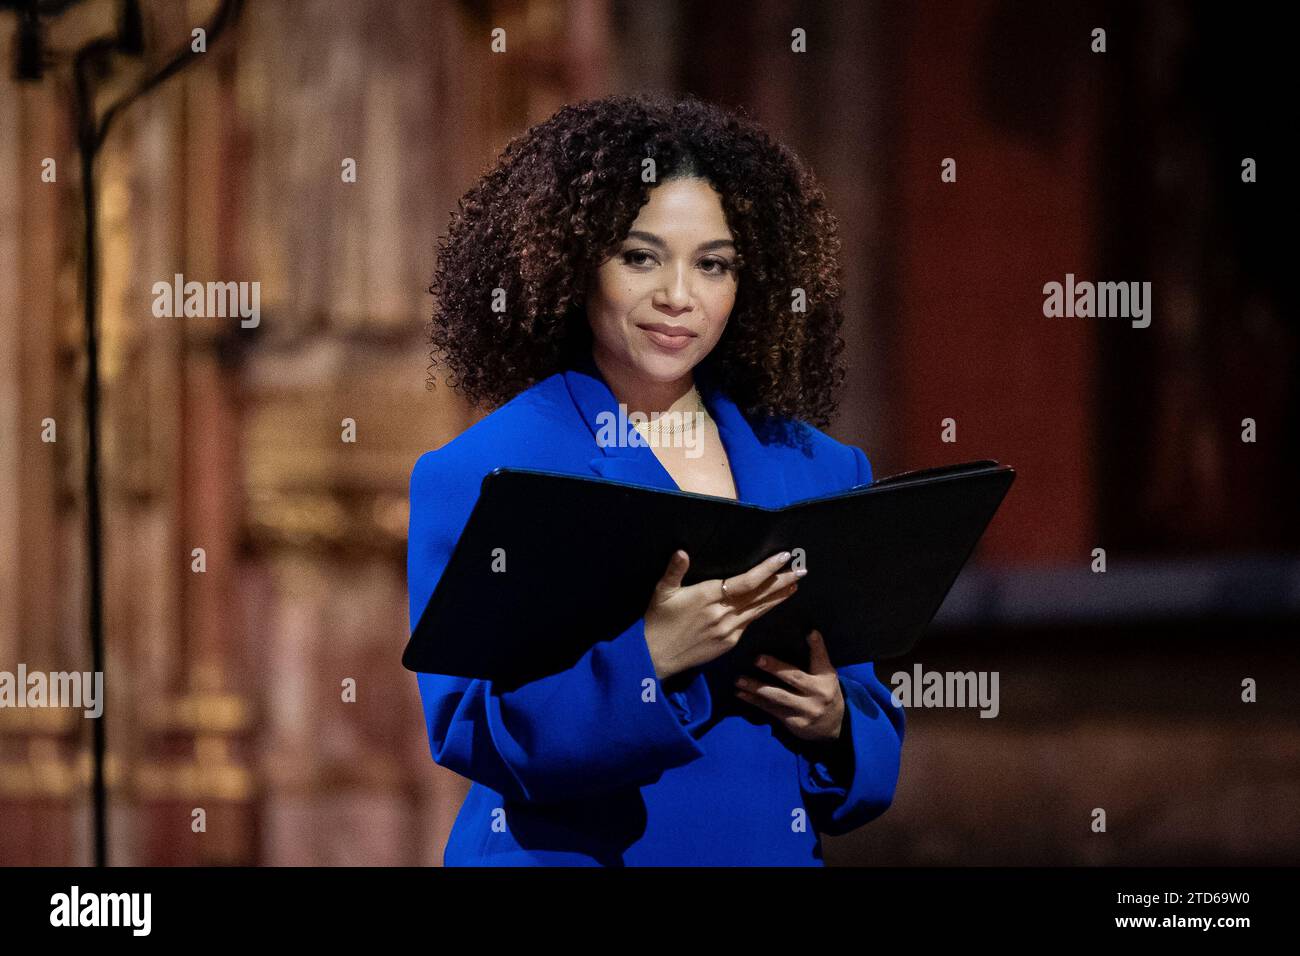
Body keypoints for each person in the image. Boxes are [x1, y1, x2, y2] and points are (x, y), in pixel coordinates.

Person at [407, 92, 905, 865]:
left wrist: (836, 720)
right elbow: (469, 726)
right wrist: (651, 658)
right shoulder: (482, 470)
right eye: (640, 256)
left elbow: (867, 729)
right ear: (573, 263)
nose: (679, 296)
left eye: (714, 264)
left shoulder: (821, 467)